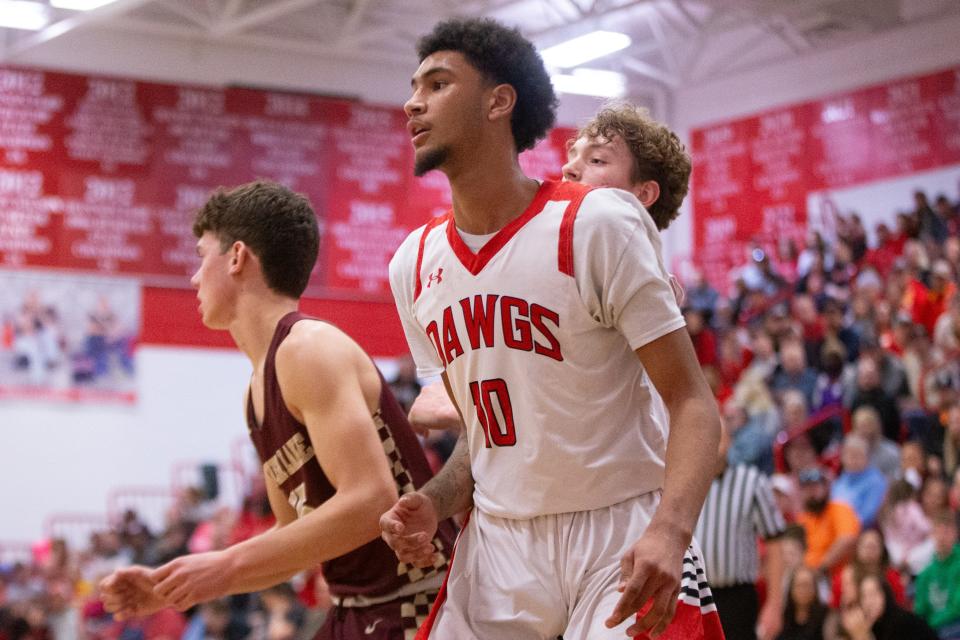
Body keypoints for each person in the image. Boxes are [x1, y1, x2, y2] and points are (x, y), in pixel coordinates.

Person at [383, 17, 723, 640]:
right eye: (414, 86)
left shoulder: (597, 225)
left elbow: (694, 404)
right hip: (500, 541)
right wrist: (435, 501)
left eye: (437, 83)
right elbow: (485, 439)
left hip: (617, 530)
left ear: (498, 101)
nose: (413, 102)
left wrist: (671, 532)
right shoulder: (414, 263)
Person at [99, 181, 457, 639]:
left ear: (237, 257)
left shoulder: (308, 348)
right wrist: (175, 586)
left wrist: (225, 566)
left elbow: (372, 499)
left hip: (421, 603)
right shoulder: (257, 391)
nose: (193, 276)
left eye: (200, 254)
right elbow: (296, 540)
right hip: (359, 609)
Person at [406, 99, 692, 434]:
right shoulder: (555, 259)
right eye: (572, 156)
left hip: (626, 481)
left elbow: (575, 405)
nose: (569, 169)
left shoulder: (640, 277)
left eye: (596, 160)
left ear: (643, 193)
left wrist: (460, 407)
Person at [695, 418, 787, 640]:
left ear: (730, 440)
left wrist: (774, 605)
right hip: (693, 594)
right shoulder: (686, 482)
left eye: (719, 434)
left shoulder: (753, 481)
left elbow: (775, 544)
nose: (713, 440)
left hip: (737, 596)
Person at [796, 467, 861, 577]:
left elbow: (847, 538)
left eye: (815, 486)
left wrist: (821, 567)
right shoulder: (802, 518)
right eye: (807, 488)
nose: (811, 492)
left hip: (837, 575)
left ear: (825, 487)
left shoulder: (839, 509)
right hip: (808, 577)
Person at [839, 573, 937, 640]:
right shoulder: (870, 625)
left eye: (873, 594)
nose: (869, 601)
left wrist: (863, 636)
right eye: (864, 596)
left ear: (886, 595)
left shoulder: (903, 622)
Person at [914, 510, 960, 639]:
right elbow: (920, 610)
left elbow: (957, 608)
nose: (942, 537)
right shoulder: (925, 574)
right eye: (938, 531)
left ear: (955, 534)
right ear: (932, 534)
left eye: (947, 531)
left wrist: (931, 625)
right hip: (934, 629)